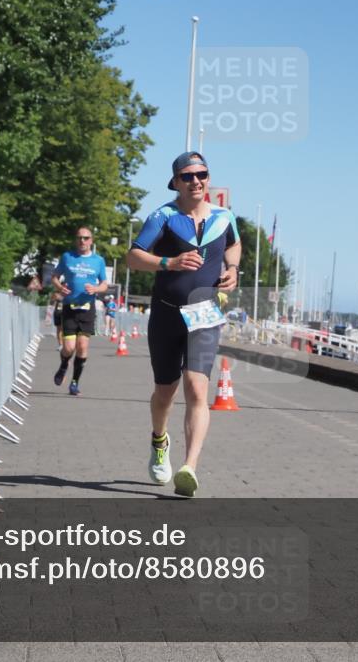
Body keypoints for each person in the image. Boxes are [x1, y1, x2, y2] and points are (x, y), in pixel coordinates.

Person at [126, 151, 240, 497]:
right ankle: (159, 440)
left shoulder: (224, 217)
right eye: (188, 176)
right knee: (165, 392)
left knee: (197, 388)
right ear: (175, 182)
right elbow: (133, 257)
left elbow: (233, 246)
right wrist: (168, 261)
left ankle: (189, 467)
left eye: (202, 174)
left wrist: (233, 270)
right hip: (166, 312)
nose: (196, 181)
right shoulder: (163, 216)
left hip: (204, 313)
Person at [51, 226, 108, 396]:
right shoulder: (68, 257)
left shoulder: (98, 260)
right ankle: (63, 365)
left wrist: (96, 289)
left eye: (85, 238)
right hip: (69, 307)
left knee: (82, 347)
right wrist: (60, 287)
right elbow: (54, 276)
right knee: (68, 348)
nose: (82, 241)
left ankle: (74, 382)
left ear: (91, 240)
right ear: (76, 240)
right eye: (79, 238)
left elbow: (105, 284)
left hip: (87, 309)